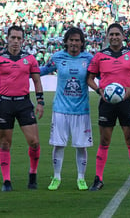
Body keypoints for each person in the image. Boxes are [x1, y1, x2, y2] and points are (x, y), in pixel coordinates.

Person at [87, 23, 130, 191]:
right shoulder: (99, 56)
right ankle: (98, 178)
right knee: (105, 140)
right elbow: (90, 79)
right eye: (111, 34)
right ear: (107, 36)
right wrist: (99, 90)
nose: (114, 37)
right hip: (106, 103)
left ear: (123, 36)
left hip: (127, 102)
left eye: (117, 34)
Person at [0, 25, 44, 192]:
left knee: (34, 142)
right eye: (13, 38)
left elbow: (37, 82)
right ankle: (6, 181)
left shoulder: (30, 59)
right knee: (4, 144)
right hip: (5, 104)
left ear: (23, 40)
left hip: (24, 103)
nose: (16, 41)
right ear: (7, 38)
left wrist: (40, 102)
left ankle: (33, 173)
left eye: (19, 38)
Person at [40, 27, 94, 191]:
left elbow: (100, 75)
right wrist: (23, 71)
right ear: (66, 42)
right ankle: (56, 177)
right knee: (58, 145)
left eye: (77, 40)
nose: (74, 43)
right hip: (60, 109)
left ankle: (81, 178)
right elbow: (43, 70)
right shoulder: (57, 57)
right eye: (71, 40)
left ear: (82, 42)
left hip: (81, 109)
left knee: (81, 146)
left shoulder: (89, 58)